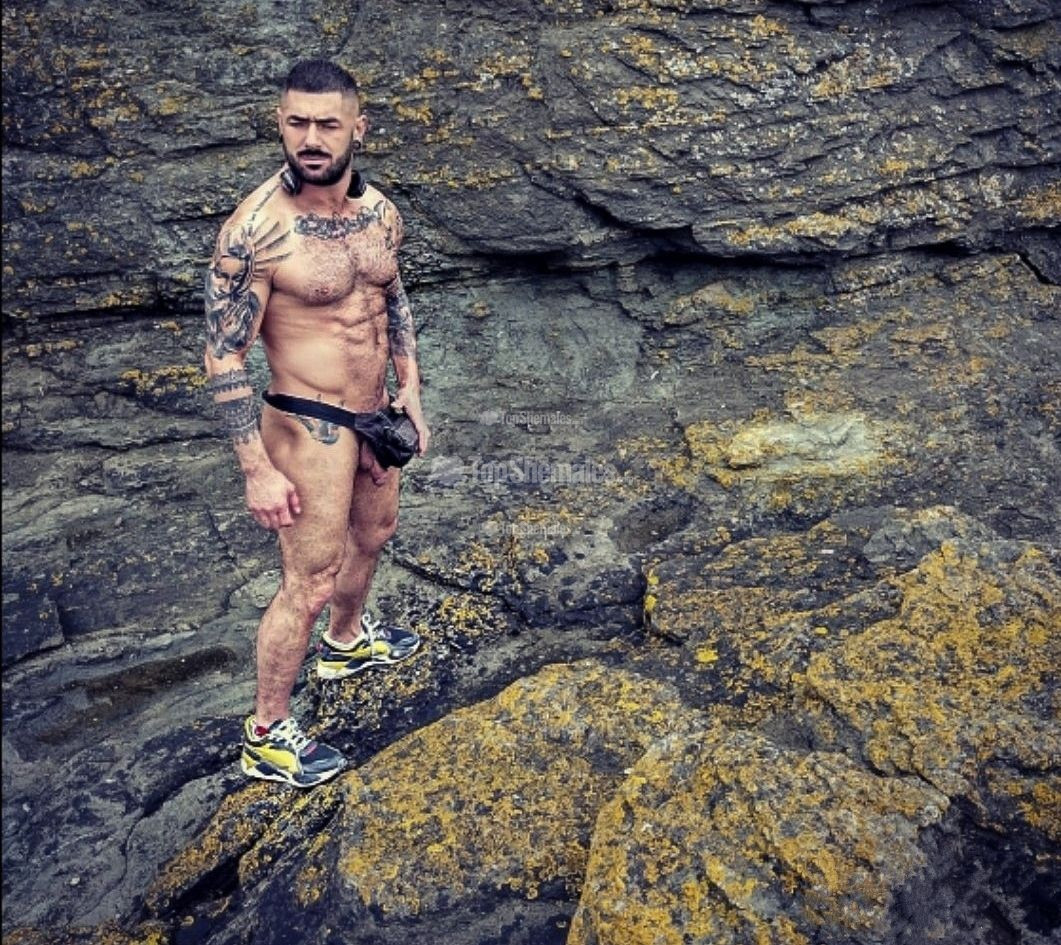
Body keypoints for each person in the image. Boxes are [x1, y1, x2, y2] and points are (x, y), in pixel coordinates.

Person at [203, 60, 431, 788]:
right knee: (308, 580)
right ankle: (266, 734)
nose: (310, 138)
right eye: (297, 122)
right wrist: (256, 469)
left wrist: (410, 388)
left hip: (376, 414)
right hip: (308, 422)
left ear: (358, 128)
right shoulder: (256, 231)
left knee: (374, 535)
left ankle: (346, 640)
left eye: (327, 124)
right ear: (279, 123)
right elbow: (223, 354)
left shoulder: (380, 213)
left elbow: (391, 297)